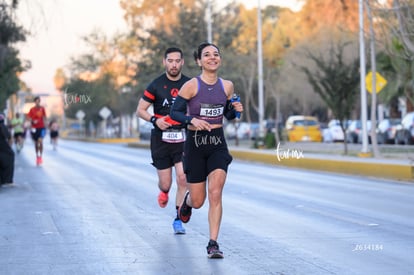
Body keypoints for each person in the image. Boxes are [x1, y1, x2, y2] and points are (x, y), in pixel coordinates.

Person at [170, 42, 244, 258]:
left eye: (216, 54)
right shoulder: (191, 86)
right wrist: (192, 118)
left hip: (217, 143)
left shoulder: (227, 86)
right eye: (207, 55)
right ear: (199, 61)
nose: (213, 58)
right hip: (195, 144)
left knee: (216, 193)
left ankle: (213, 243)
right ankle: (187, 203)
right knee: (199, 200)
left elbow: (228, 115)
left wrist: (235, 110)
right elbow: (175, 113)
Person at [136, 47, 190, 234]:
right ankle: (164, 192)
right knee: (166, 182)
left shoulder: (189, 84)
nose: (174, 64)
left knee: (183, 178)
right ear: (164, 62)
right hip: (161, 139)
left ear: (182, 62)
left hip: (183, 136)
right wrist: (155, 120)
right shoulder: (156, 85)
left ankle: (178, 219)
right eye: (170, 61)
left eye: (177, 61)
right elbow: (140, 109)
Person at [27, 96, 47, 165]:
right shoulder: (32, 109)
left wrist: (46, 125)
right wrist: (32, 121)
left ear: (39, 102)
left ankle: (40, 156)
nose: (37, 102)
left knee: (40, 141)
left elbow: (44, 117)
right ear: (35, 102)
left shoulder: (42, 108)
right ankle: (37, 156)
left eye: (38, 101)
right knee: (36, 143)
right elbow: (29, 118)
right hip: (34, 128)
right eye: (36, 101)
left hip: (41, 127)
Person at [0, 114, 14, 186]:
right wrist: (9, 146)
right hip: (3, 149)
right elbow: (9, 138)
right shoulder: (2, 126)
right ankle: (7, 180)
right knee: (11, 155)